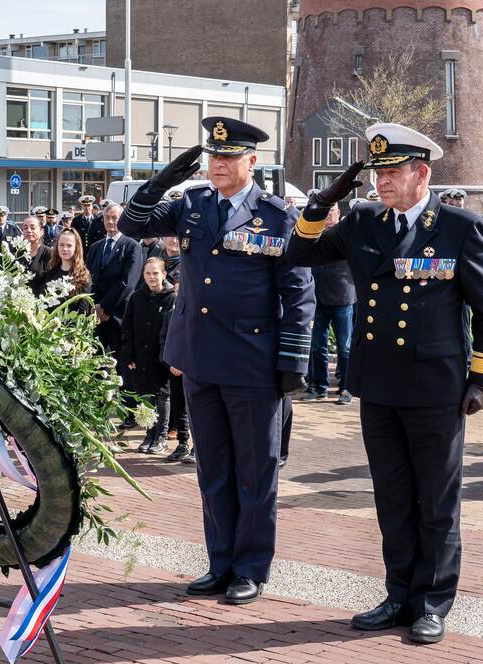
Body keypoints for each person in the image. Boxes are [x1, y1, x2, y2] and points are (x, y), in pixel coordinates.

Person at [284, 123, 483, 643]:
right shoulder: (364, 223)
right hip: (379, 384)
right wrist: (320, 203)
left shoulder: (456, 226)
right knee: (392, 496)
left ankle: (432, 600)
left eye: (391, 172)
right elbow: (301, 255)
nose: (381, 181)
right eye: (377, 172)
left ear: (420, 172)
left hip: (436, 386)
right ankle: (398, 592)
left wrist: (481, 379)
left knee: (436, 499)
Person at [119, 116, 314, 606]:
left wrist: (293, 361)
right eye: (213, 157)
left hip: (252, 362)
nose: (218, 165)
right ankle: (220, 561)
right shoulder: (192, 204)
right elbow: (130, 224)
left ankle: (250, 567)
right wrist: (163, 180)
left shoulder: (276, 216)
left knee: (256, 469)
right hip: (200, 358)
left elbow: (299, 291)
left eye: (229, 158)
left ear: (252, 162)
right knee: (214, 468)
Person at [300, 204, 355, 404]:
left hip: (342, 297)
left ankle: (346, 388)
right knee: (317, 346)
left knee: (345, 347)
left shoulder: (347, 233)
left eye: (331, 211)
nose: (328, 215)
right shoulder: (315, 234)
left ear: (338, 213)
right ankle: (319, 387)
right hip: (318, 298)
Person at [122, 257, 176, 454]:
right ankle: (149, 434)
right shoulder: (136, 298)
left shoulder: (172, 298)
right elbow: (127, 328)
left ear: (163, 274)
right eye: (148, 273)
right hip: (140, 357)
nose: (152, 277)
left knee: (162, 397)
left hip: (161, 358)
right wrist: (128, 356)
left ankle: (160, 436)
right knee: (144, 397)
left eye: (155, 273)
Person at [86, 203, 143, 360]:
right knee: (96, 362)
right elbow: (89, 279)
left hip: (118, 314)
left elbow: (127, 283)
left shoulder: (132, 246)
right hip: (95, 315)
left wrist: (104, 307)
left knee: (120, 364)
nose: (110, 222)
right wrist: (95, 306)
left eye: (114, 218)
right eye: (107, 218)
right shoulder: (95, 247)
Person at [159, 280, 193, 463]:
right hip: (174, 369)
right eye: (177, 291)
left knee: (195, 408)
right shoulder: (171, 314)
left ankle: (197, 446)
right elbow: (165, 340)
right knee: (179, 407)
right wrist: (171, 362)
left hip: (193, 370)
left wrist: (184, 364)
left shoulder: (199, 314)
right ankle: (182, 443)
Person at [34, 228, 92, 315]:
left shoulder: (83, 276)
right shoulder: (50, 273)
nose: (65, 248)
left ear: (76, 248)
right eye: (61, 245)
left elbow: (83, 311)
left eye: (69, 245)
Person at [19, 215, 51, 284]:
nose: (29, 231)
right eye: (25, 228)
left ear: (42, 232)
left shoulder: (49, 253)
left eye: (33, 228)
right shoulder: (17, 252)